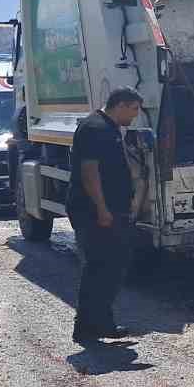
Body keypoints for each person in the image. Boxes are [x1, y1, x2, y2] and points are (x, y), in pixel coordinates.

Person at [67, 87, 143, 343]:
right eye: (133, 110)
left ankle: (99, 323)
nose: (134, 116)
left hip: (109, 210)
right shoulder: (95, 128)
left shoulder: (106, 128)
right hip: (95, 212)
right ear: (120, 105)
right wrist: (102, 209)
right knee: (101, 267)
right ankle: (88, 327)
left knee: (110, 266)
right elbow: (90, 172)